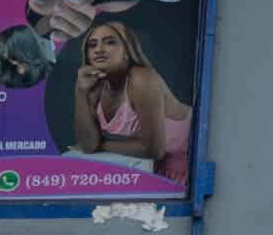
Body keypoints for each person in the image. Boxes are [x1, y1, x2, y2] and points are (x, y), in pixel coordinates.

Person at [73, 21, 191, 186]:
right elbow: (88, 146)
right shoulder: (95, 85)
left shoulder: (142, 79)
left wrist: (102, 145)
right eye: (92, 45)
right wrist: (81, 91)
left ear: (127, 51)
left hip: (185, 169)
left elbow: (154, 150)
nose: (98, 49)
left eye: (110, 42)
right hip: (150, 170)